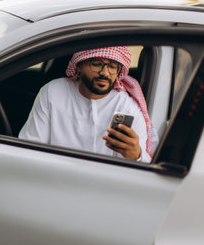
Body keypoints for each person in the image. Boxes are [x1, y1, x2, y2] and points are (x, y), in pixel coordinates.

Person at [19, 46, 157, 162]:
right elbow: (30, 148)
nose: (105, 73)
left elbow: (144, 166)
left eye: (112, 66)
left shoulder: (128, 107)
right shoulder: (53, 92)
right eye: (97, 64)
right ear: (79, 65)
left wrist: (136, 155)